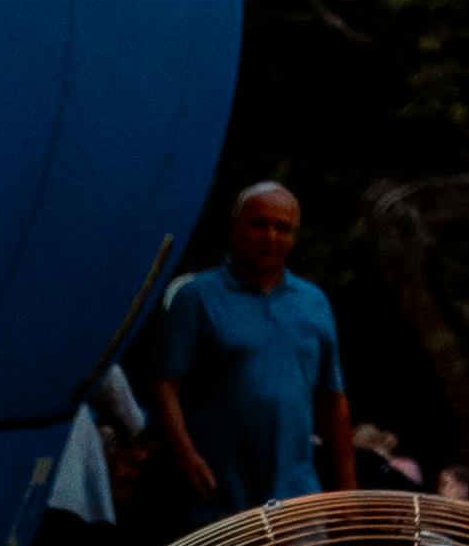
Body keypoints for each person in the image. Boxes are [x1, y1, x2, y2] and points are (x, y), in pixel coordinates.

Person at [152, 185, 356, 513]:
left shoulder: (313, 302)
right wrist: (184, 452)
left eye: (283, 228)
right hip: (217, 493)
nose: (270, 236)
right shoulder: (196, 296)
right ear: (235, 228)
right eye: (259, 224)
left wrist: (348, 491)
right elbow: (165, 382)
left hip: (295, 494)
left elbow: (333, 398)